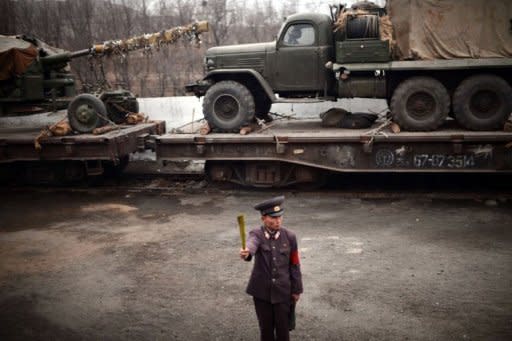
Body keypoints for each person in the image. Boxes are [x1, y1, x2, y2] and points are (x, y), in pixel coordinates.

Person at [240, 196, 303, 341]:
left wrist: (296, 289)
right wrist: (247, 251)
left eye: (280, 217)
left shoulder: (290, 237)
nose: (277, 221)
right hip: (262, 293)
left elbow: (295, 264)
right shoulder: (256, 234)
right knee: (266, 330)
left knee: (283, 331)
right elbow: (251, 244)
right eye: (273, 218)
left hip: (283, 292)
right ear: (263, 219)